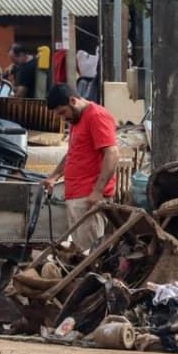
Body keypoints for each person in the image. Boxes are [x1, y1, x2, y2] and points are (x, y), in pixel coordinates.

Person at [39, 84, 120, 252]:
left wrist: (98, 191)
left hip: (89, 197)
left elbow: (112, 153)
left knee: (91, 254)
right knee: (81, 251)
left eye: (62, 112)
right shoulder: (77, 119)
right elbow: (73, 153)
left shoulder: (96, 116)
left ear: (73, 101)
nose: (62, 118)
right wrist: (54, 176)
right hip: (78, 195)